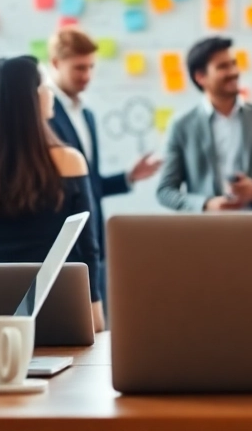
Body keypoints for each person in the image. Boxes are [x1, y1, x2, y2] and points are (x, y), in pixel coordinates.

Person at [0, 56, 105, 332]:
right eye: (45, 87)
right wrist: (95, 314)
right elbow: (87, 251)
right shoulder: (68, 161)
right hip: (56, 313)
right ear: (31, 99)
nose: (50, 94)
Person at [46, 28, 162, 306]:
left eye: (91, 67)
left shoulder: (87, 115)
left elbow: (88, 184)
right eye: (79, 68)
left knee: (100, 326)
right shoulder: (44, 115)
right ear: (56, 64)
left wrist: (128, 177)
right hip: (59, 241)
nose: (87, 75)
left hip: (93, 237)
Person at [157, 36, 252, 212]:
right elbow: (165, 191)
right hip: (207, 232)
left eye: (233, 63)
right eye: (222, 67)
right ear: (200, 77)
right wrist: (206, 205)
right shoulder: (181, 125)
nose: (234, 71)